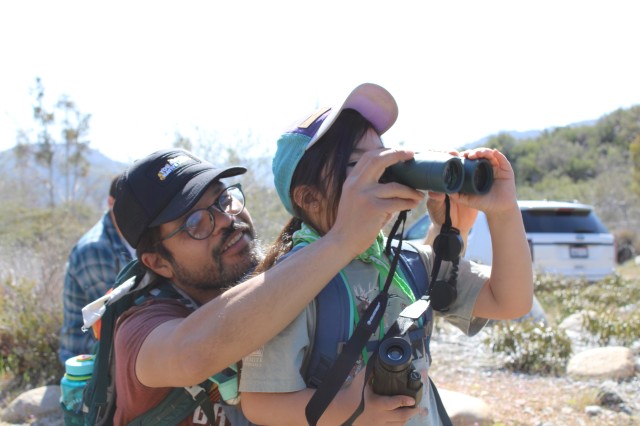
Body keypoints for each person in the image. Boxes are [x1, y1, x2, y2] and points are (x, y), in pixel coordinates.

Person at [238, 83, 534, 425]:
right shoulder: (290, 283)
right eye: (355, 162)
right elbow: (259, 403)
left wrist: (503, 211)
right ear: (310, 198)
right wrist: (352, 410)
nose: (382, 168)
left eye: (383, 154)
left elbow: (510, 301)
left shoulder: (408, 262)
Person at [108, 146, 423, 424]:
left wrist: (453, 229)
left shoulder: (283, 283)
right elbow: (191, 355)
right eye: (195, 223)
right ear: (158, 262)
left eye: (223, 199)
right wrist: (343, 240)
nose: (225, 220)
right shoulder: (138, 328)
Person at [59, 173, 135, 364]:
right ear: (111, 203)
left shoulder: (132, 237)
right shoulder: (95, 249)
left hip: (116, 343)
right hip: (87, 355)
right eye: (127, 204)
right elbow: (114, 317)